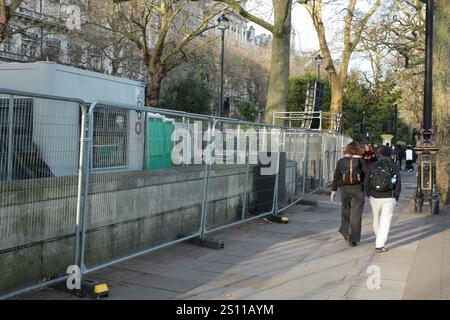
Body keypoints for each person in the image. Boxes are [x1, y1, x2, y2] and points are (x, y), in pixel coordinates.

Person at [364, 146, 401, 253]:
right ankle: (380, 245)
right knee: (386, 220)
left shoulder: (373, 165)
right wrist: (396, 196)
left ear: (380, 154)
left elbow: (366, 181)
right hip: (389, 196)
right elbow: (398, 183)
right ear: (390, 154)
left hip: (374, 196)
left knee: (376, 217)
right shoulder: (394, 166)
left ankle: (378, 236)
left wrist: (369, 193)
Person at [331, 142, 367, 247]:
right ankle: (353, 238)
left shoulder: (341, 161)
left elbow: (336, 176)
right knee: (356, 214)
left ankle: (345, 232)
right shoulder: (360, 161)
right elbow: (367, 174)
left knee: (345, 210)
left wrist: (333, 190)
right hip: (357, 189)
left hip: (344, 189)